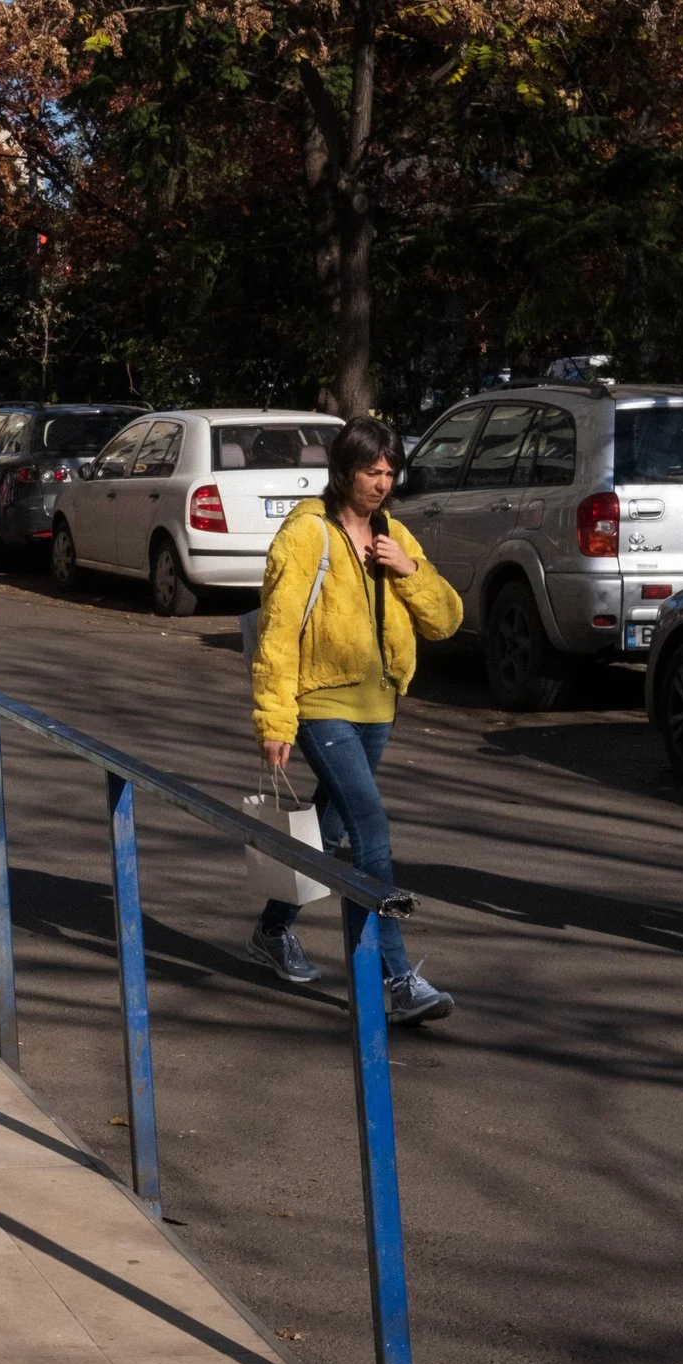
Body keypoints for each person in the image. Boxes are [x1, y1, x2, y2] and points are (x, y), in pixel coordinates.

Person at [247, 418, 465, 1024]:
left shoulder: (394, 534)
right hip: (321, 708)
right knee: (371, 831)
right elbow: (277, 635)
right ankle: (396, 980)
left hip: (379, 709)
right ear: (346, 470)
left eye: (391, 473)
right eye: (373, 472)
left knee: (330, 827)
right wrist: (276, 721)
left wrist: (410, 571)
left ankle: (271, 929)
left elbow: (446, 620)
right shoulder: (306, 536)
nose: (383, 484)